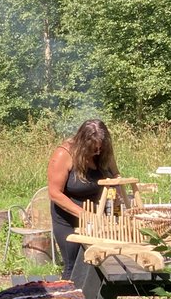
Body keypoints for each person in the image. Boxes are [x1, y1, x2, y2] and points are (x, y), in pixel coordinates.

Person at [47, 120, 121, 281]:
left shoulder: (103, 152)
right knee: (73, 265)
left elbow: (116, 177)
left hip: (99, 219)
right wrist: (86, 215)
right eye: (93, 148)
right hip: (69, 219)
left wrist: (117, 202)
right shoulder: (64, 154)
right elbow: (54, 193)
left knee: (98, 262)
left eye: (101, 148)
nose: (97, 151)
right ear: (82, 142)